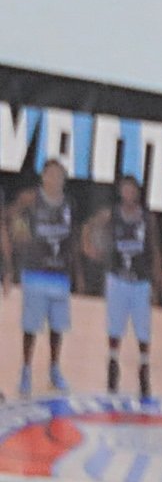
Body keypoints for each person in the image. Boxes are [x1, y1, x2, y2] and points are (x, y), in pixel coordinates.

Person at [8, 155, 78, 397]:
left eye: (60, 175)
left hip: (59, 274)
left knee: (57, 327)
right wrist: (18, 228)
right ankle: (26, 370)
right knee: (31, 327)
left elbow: (72, 238)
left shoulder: (69, 204)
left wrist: (74, 270)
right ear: (43, 176)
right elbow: (12, 213)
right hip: (35, 273)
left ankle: (54, 369)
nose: (55, 178)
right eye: (51, 174)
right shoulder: (31, 199)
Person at [87, 172, 157, 398]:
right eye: (125, 189)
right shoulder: (112, 214)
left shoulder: (147, 218)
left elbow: (154, 250)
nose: (128, 193)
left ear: (137, 192)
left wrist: (156, 280)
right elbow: (89, 225)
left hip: (140, 280)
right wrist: (89, 246)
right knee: (115, 328)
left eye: (132, 189)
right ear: (120, 192)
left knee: (143, 332)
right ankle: (113, 366)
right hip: (117, 278)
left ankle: (144, 370)